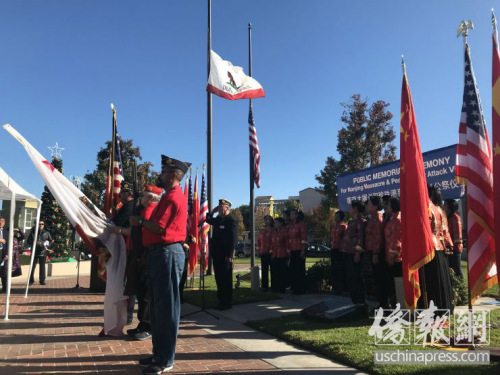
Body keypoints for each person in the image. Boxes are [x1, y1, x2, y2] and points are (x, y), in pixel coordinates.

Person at [131, 155, 190, 374]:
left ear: (174, 175)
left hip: (167, 253)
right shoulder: (167, 196)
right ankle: (159, 353)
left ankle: (165, 359)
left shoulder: (173, 197)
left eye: (165, 171)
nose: (161, 174)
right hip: (159, 254)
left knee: (166, 309)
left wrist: (141, 222)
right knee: (157, 308)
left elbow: (159, 229)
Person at [109, 183, 163, 341]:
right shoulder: (142, 210)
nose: (142, 198)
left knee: (146, 293)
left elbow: (142, 230)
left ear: (151, 198)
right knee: (140, 291)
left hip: (146, 254)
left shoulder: (152, 211)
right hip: (137, 253)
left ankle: (148, 325)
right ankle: (142, 324)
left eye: (145, 195)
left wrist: (119, 230)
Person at [206, 198, 239, 310]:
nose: (219, 210)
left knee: (226, 279)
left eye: (221, 208)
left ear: (227, 208)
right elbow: (208, 220)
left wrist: (229, 255)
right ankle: (221, 301)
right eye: (219, 208)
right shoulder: (219, 219)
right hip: (217, 254)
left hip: (226, 256)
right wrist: (212, 212)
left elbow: (233, 240)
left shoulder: (231, 221)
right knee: (219, 279)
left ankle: (227, 302)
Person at [425, 185, 453, 312]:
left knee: (433, 281)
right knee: (442, 280)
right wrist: (448, 245)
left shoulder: (428, 207)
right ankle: (446, 305)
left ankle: (435, 308)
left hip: (430, 247)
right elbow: (445, 230)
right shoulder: (440, 209)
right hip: (440, 247)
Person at [341, 200, 366, 305]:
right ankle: (354, 299)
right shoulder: (352, 221)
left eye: (351, 207)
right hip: (347, 252)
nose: (349, 209)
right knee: (350, 277)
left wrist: (357, 252)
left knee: (356, 277)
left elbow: (361, 238)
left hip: (354, 253)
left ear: (355, 208)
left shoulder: (361, 221)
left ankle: (360, 300)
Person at [364, 196, 387, 309]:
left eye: (368, 204)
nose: (367, 206)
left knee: (380, 279)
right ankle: (380, 303)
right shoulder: (371, 218)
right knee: (376, 279)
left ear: (375, 206)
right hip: (370, 251)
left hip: (376, 253)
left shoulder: (378, 218)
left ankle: (384, 304)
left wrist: (376, 254)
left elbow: (378, 238)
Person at [384, 197, 402, 308]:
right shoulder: (392, 219)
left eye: (389, 205)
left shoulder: (397, 220)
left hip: (396, 258)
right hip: (390, 256)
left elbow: (397, 240)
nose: (387, 207)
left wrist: (392, 255)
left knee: (396, 284)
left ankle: (399, 306)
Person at [27, 220, 53, 285]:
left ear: (44, 225)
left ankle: (42, 280)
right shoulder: (33, 233)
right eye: (39, 224)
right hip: (34, 251)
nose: (41, 225)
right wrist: (34, 243)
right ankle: (31, 280)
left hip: (42, 251)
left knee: (42, 266)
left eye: (42, 224)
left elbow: (50, 241)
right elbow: (28, 241)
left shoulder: (47, 233)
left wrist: (47, 245)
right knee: (32, 266)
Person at [288, 209, 307, 294]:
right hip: (293, 249)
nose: (291, 215)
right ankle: (294, 287)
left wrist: (303, 250)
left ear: (296, 215)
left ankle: (300, 289)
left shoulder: (301, 225)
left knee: (299, 270)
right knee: (293, 269)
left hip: (299, 249)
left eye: (292, 214)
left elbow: (304, 238)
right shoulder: (291, 226)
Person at [0, 225, 25, 292]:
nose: (12, 232)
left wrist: (19, 230)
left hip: (15, 257)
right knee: (5, 272)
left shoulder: (15, 238)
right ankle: (5, 287)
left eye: (13, 231)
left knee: (10, 272)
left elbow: (23, 236)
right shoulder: (6, 237)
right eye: (11, 231)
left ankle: (7, 286)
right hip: (7, 255)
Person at [444, 199, 463, 278]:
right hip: (449, 247)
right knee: (450, 269)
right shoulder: (447, 216)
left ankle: (460, 287)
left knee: (457, 269)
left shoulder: (455, 217)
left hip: (455, 247)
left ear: (449, 207)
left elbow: (457, 234)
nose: (443, 206)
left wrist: (453, 245)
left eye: (445, 204)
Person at [330, 211, 347, 295]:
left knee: (340, 268)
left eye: (337, 216)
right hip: (333, 248)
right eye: (335, 216)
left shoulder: (343, 227)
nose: (335, 217)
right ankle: (335, 287)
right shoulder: (334, 227)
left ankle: (341, 288)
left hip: (340, 250)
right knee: (334, 268)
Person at [271, 217, 288, 293]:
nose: (274, 224)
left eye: (276, 222)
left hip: (282, 254)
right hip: (275, 254)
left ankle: (281, 288)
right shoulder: (274, 232)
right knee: (275, 271)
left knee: (281, 272)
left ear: (281, 223)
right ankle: (275, 287)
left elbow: (287, 242)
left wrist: (288, 252)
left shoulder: (284, 231)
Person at [258, 215, 274, 291]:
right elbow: (259, 241)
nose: (267, 221)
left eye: (268, 220)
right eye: (265, 220)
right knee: (264, 269)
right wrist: (259, 249)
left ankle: (273, 285)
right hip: (263, 252)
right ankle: (264, 286)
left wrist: (271, 250)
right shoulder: (262, 230)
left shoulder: (273, 230)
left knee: (273, 270)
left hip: (271, 253)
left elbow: (274, 241)